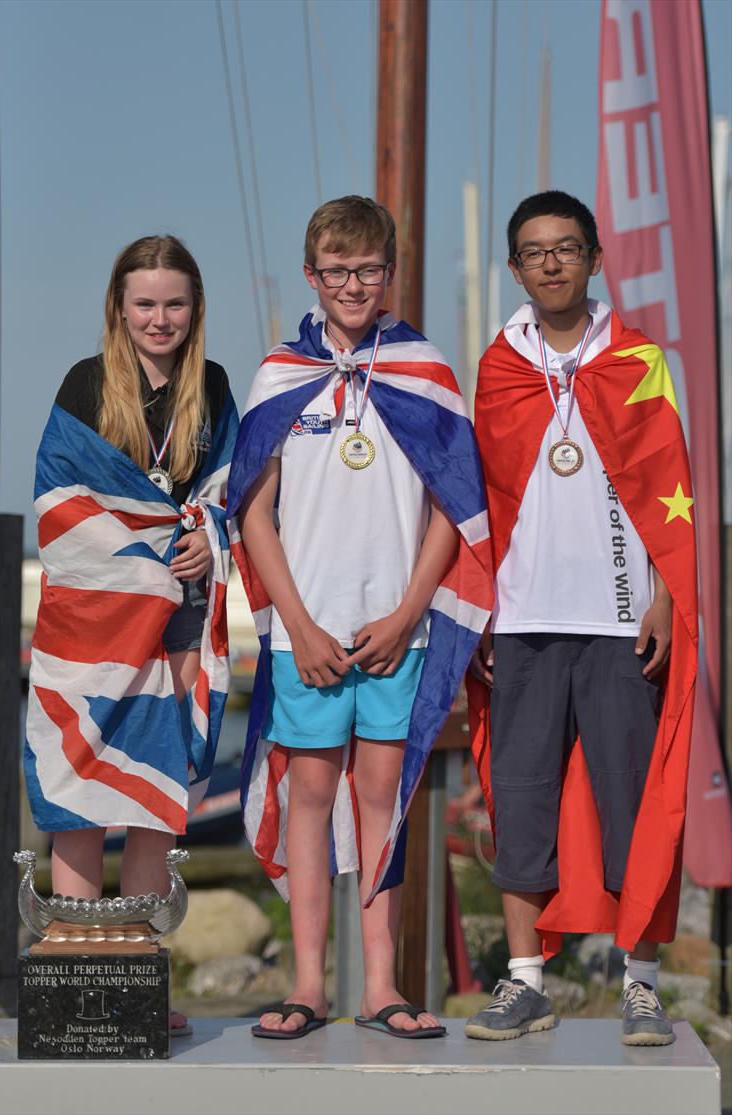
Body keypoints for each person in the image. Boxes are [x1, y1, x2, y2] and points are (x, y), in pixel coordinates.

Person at [227, 196, 492, 1039]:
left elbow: (455, 502)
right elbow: (253, 513)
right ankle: (308, 980)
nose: (351, 284)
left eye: (367, 271)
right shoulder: (279, 375)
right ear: (312, 275)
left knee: (384, 792)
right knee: (309, 793)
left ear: (388, 275)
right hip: (310, 628)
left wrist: (412, 604)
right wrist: (297, 624)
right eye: (335, 271)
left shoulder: (424, 369)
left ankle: (381, 982)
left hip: (396, 627)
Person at [464, 191, 697, 1046]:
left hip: (621, 617)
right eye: (534, 250)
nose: (551, 262)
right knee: (517, 799)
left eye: (567, 247)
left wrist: (668, 593)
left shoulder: (640, 359)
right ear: (516, 266)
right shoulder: (498, 364)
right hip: (522, 615)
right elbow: (477, 497)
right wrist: (476, 604)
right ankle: (526, 981)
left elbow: (671, 487)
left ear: (595, 258)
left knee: (631, 803)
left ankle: (640, 982)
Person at [24, 235, 239, 1036]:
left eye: (175, 304)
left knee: (154, 793)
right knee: (80, 789)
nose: (160, 319)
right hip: (93, 624)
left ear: (196, 308)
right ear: (120, 305)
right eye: (145, 303)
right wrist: (147, 543)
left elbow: (233, 489)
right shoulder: (86, 383)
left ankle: (137, 983)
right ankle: (79, 981)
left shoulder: (210, 386)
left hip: (178, 619)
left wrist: (206, 535)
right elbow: (58, 505)